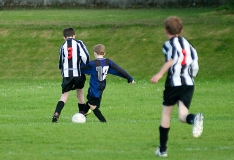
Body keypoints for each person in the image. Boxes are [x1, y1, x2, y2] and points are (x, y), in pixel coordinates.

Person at [150, 16, 204, 157]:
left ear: (166, 30)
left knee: (166, 114)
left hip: (174, 83)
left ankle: (162, 150)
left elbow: (172, 59)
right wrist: (191, 75)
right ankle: (194, 119)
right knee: (182, 116)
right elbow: (195, 65)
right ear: (181, 29)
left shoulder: (168, 45)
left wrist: (159, 74)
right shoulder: (189, 45)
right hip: (188, 83)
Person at [81, 44, 135, 122]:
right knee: (90, 99)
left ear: (94, 53)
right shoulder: (108, 62)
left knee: (92, 104)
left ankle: (103, 121)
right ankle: (83, 113)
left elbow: (81, 69)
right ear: (104, 53)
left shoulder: (92, 64)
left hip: (95, 86)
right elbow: (119, 70)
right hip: (102, 86)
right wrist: (129, 78)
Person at [52, 27, 90, 123]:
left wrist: (62, 69)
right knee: (80, 94)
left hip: (67, 74)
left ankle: (56, 114)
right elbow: (86, 56)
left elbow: (61, 61)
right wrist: (86, 66)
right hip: (78, 73)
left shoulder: (63, 46)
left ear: (64, 37)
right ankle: (82, 114)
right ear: (74, 35)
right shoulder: (79, 43)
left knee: (64, 96)